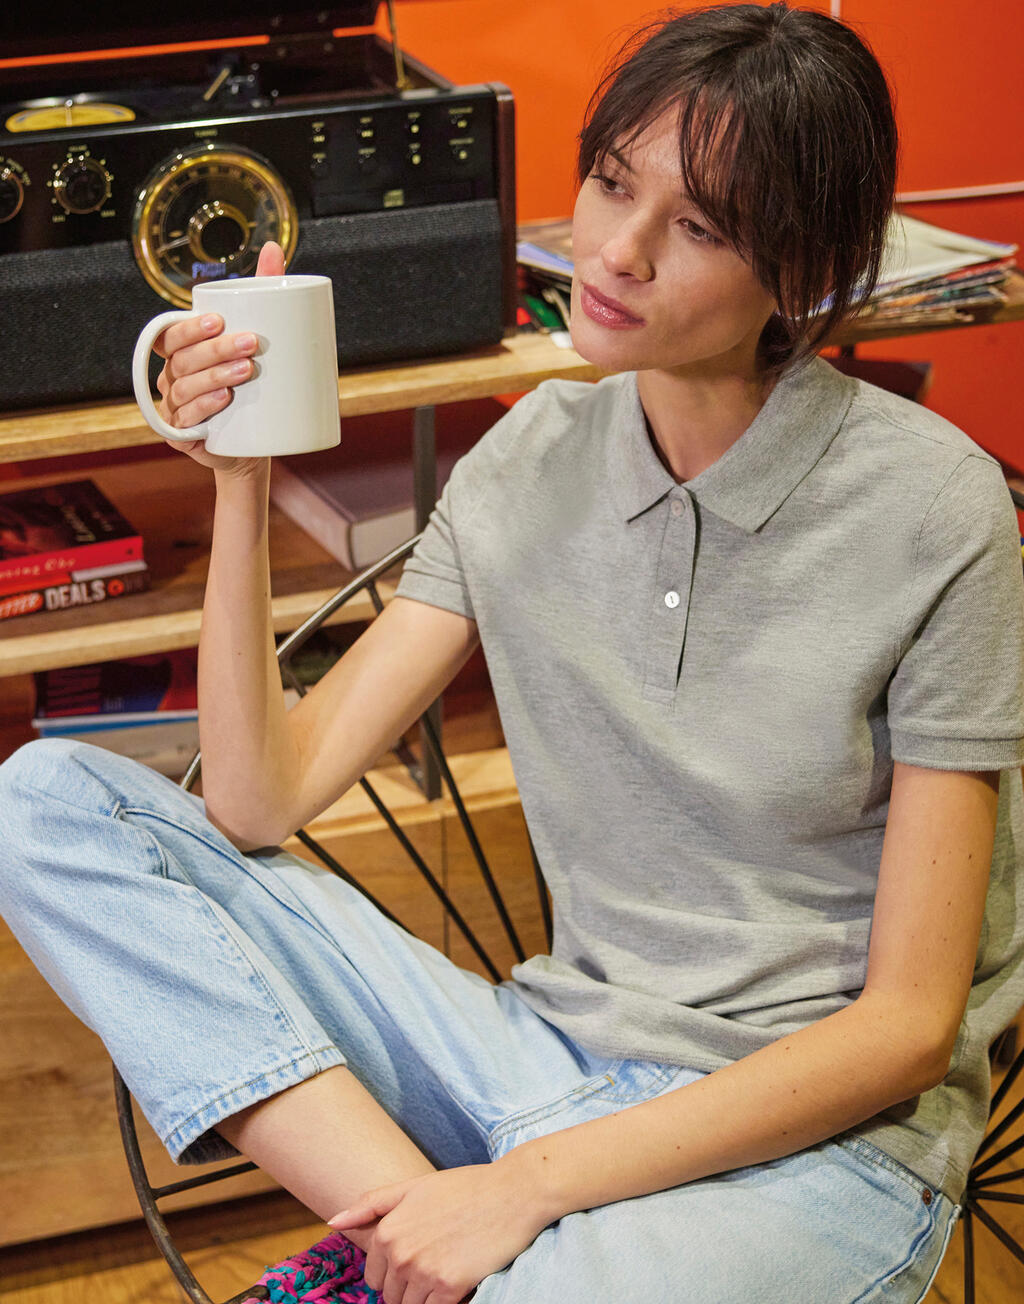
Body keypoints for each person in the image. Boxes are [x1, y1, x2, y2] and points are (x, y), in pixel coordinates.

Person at [1, 4, 1022, 1302]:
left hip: (817, 1150)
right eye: (613, 182)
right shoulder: (530, 460)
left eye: (700, 228)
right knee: (46, 802)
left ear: (803, 267)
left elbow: (908, 1030)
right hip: (537, 1063)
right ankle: (409, 1238)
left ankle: (442, 1256)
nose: (619, 251)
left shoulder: (932, 508)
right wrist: (239, 482)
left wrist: (526, 1187)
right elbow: (259, 802)